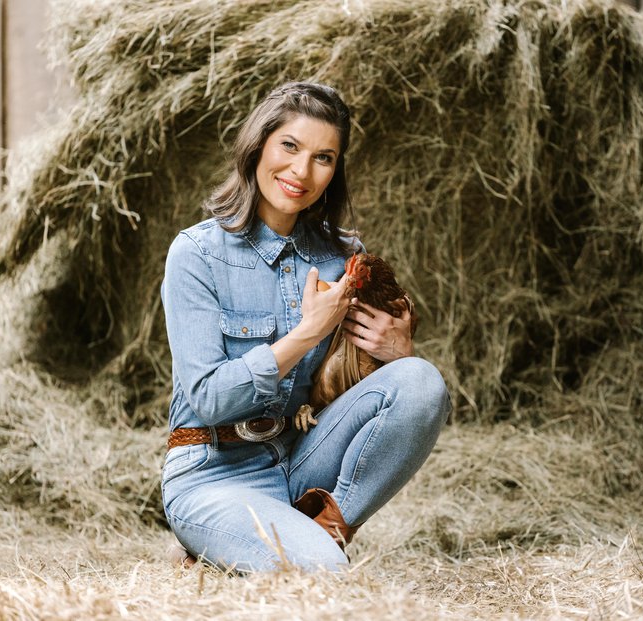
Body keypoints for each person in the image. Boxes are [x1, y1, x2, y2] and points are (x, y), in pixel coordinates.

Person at [160, 81, 451, 572]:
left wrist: (398, 353)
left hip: (301, 459)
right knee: (324, 573)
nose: (301, 171)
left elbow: (409, 408)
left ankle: (323, 529)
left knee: (424, 380)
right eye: (289, 147)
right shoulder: (197, 254)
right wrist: (306, 335)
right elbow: (208, 399)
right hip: (213, 472)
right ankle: (260, 546)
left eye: (324, 157)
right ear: (258, 146)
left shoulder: (344, 259)